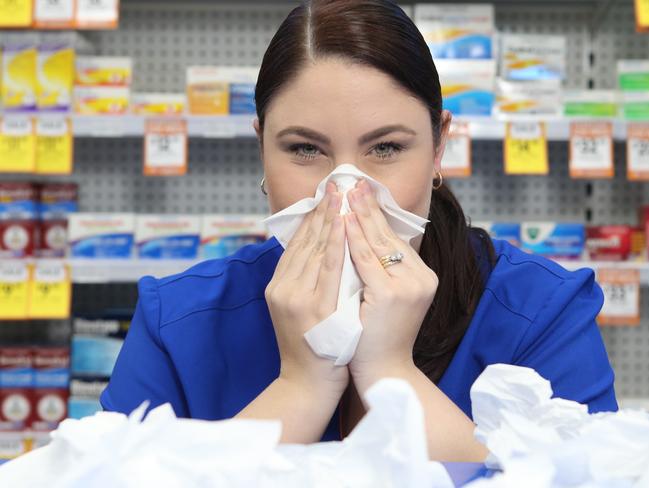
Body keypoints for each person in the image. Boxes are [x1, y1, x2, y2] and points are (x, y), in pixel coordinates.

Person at [101, 0, 617, 462]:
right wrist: (302, 385)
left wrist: (391, 370)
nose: (345, 190)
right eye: (305, 149)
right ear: (261, 147)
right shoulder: (178, 322)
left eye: (386, 148)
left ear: (438, 148)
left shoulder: (544, 312)